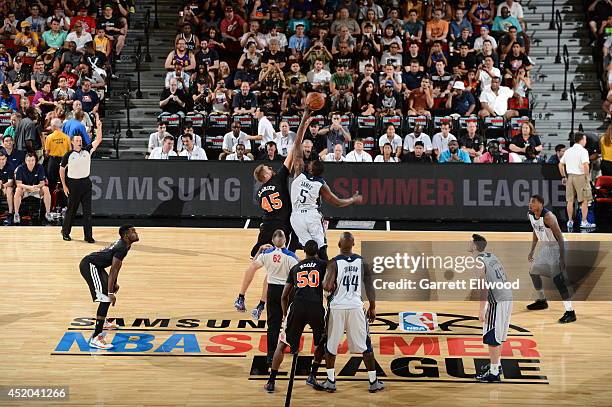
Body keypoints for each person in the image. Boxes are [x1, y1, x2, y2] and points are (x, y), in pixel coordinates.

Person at [234, 111, 313, 317]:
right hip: (280, 228)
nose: (271, 168)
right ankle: (261, 304)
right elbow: (294, 149)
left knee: (254, 264)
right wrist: (303, 124)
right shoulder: (278, 178)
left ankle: (240, 296)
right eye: (269, 169)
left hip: (265, 227)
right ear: (266, 175)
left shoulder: (260, 192)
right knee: (274, 271)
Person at [314, 232, 384, 393]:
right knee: (365, 344)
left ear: (339, 245)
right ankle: (373, 382)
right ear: (353, 244)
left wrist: (329, 286)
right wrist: (372, 307)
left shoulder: (333, 263)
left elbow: (326, 285)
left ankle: (331, 381)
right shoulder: (362, 262)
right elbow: (370, 287)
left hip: (337, 308)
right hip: (355, 307)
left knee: (331, 345)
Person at [265, 239, 327, 392]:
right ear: (317, 251)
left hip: (298, 306)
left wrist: (286, 313)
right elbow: (330, 284)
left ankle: (271, 381)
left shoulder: (296, 267)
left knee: (282, 344)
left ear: (304, 251)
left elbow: (284, 296)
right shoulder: (323, 265)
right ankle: (312, 375)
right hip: (315, 307)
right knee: (320, 343)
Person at [238, 230, 298, 366]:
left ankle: (271, 355)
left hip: (272, 291)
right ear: (285, 241)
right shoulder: (290, 256)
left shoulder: (266, 254)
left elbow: (253, 265)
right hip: (287, 290)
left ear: (272, 240)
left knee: (273, 324)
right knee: (291, 319)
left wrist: (259, 250)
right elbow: (298, 272)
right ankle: (293, 347)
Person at [79, 225, 139, 349]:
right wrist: (110, 292)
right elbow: (113, 270)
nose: (136, 233)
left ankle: (103, 322)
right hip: (89, 265)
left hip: (98, 266)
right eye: (133, 232)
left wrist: (113, 285)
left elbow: (116, 267)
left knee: (109, 291)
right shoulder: (122, 247)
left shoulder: (125, 244)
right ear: (126, 235)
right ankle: (96, 337)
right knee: (106, 297)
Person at [290, 159, 362, 261]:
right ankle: (325, 271)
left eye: (310, 163)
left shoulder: (299, 174)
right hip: (311, 216)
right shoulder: (320, 184)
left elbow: (296, 155)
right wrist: (352, 199)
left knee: (309, 248)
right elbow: (337, 202)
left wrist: (297, 142)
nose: (308, 163)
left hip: (296, 217)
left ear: (311, 170)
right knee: (321, 248)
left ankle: (307, 271)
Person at [469, 234, 513, 383]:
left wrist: (482, 309)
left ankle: (494, 373)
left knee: (492, 337)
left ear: (475, 246)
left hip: (497, 301)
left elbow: (484, 287)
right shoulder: (491, 255)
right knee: (498, 335)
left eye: (470, 242)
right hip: (507, 295)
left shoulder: (478, 262)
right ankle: (497, 365)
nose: (468, 244)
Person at [526, 194, 577, 324]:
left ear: (541, 204)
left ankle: (570, 312)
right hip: (548, 247)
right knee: (533, 271)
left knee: (558, 279)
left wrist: (562, 259)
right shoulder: (530, 215)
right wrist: (532, 250)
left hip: (558, 246)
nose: (530, 204)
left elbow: (560, 237)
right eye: (530, 202)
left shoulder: (549, 217)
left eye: (533, 202)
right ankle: (542, 301)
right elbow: (536, 231)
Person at [59, 118, 103, 242]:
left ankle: (88, 236)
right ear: (72, 142)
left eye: (80, 140)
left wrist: (99, 127)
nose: (79, 142)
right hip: (73, 184)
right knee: (71, 211)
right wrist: (64, 185)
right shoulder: (68, 155)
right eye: (77, 140)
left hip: (86, 183)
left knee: (87, 212)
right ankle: (65, 232)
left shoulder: (87, 150)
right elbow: (62, 170)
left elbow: (98, 140)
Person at [559, 133, 596, 229]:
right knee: (584, 200)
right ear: (582, 140)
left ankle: (570, 221)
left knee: (570, 201)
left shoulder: (568, 151)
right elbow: (585, 165)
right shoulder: (583, 151)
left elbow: (560, 164)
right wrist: (587, 177)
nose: (586, 141)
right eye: (585, 139)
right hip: (580, 177)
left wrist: (564, 176)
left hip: (570, 177)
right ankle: (584, 222)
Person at [13, 152, 53, 224]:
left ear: (35, 161)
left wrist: (35, 187)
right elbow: (18, 184)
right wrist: (29, 187)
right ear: (25, 161)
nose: (30, 162)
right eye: (28, 160)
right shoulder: (20, 168)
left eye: (32, 160)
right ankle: (16, 214)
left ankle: (48, 213)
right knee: (17, 189)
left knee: (46, 189)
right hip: (25, 189)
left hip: (36, 189)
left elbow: (42, 183)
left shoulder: (40, 167)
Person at [44, 118, 71, 190]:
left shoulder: (49, 137)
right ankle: (64, 198)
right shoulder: (67, 137)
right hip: (64, 161)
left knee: (51, 181)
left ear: (53, 126)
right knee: (64, 181)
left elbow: (47, 152)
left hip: (53, 160)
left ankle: (52, 198)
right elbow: (70, 151)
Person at [0, 151, 15, 225]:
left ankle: (10, 213)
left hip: (6, 186)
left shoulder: (10, 166)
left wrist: (3, 186)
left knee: (9, 189)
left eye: (3, 159)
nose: (1, 161)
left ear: (6, 159)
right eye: (0, 159)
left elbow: (11, 182)